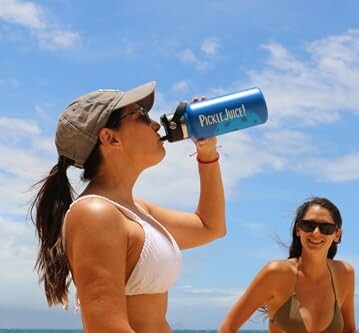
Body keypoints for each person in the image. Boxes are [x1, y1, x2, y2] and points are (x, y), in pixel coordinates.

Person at [29, 81, 225, 333]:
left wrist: (207, 152)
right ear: (110, 138)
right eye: (142, 116)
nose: (156, 124)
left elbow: (211, 227)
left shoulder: (136, 211)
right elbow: (105, 328)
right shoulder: (95, 214)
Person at [219, 197, 356, 333]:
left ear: (337, 234)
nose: (316, 233)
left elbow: (349, 330)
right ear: (298, 229)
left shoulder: (344, 274)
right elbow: (227, 328)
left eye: (326, 228)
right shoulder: (276, 273)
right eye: (308, 225)